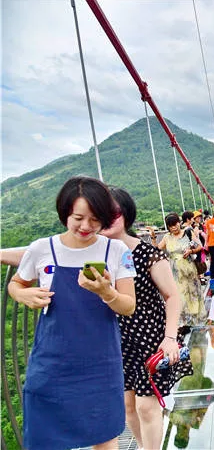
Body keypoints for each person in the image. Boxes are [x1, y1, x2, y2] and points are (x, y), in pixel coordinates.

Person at [7, 176, 136, 449]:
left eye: (95, 219)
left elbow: (128, 306)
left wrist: (107, 293)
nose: (86, 226)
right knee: (45, 439)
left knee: (105, 439)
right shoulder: (42, 248)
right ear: (65, 212)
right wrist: (22, 294)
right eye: (78, 218)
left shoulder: (117, 250)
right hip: (51, 364)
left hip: (101, 365)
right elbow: (16, 283)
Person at [101, 188, 193, 450]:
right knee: (128, 405)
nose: (107, 219)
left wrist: (170, 337)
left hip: (150, 337)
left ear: (126, 215)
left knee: (146, 406)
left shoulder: (148, 254)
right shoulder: (96, 255)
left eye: (113, 213)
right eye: (101, 214)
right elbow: (53, 250)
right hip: (116, 340)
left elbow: (172, 297)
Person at [158, 213, 207, 326]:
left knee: (193, 293)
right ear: (168, 227)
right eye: (171, 226)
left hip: (189, 270)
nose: (174, 228)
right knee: (181, 295)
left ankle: (196, 319)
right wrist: (153, 237)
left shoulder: (187, 233)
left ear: (179, 223)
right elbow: (157, 249)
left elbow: (199, 246)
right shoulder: (167, 237)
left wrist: (191, 251)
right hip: (176, 272)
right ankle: (184, 322)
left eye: (175, 224)